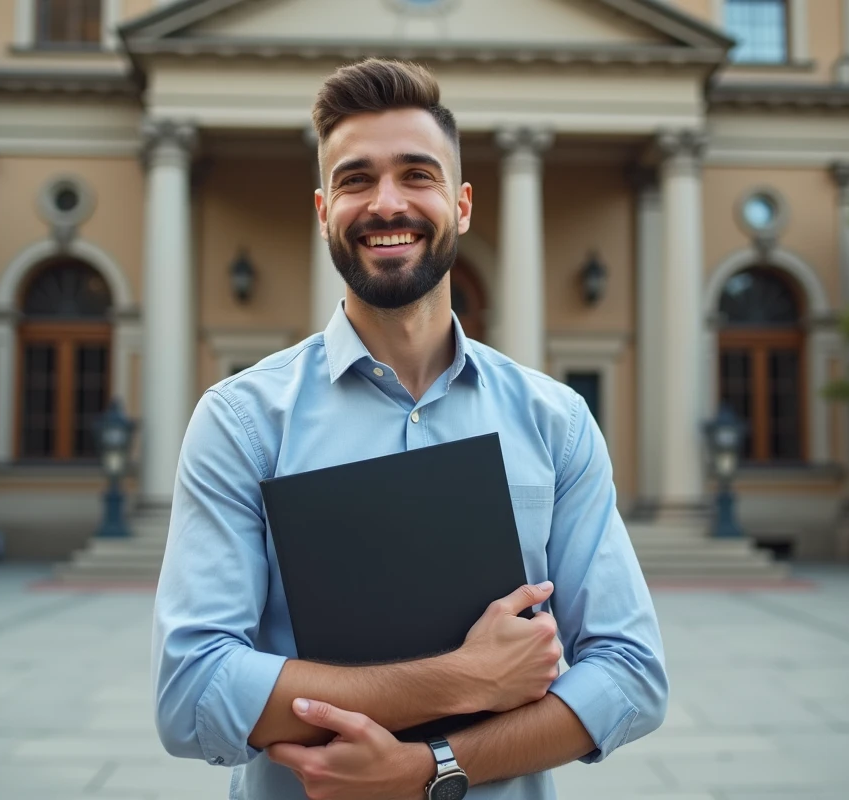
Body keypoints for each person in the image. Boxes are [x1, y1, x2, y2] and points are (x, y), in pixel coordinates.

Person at [152, 58, 668, 800]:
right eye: (356, 180)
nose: (386, 203)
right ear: (322, 209)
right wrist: (463, 679)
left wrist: (431, 769)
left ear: (461, 204)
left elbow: (631, 674)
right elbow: (192, 691)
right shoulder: (241, 422)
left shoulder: (555, 423)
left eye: (416, 175)